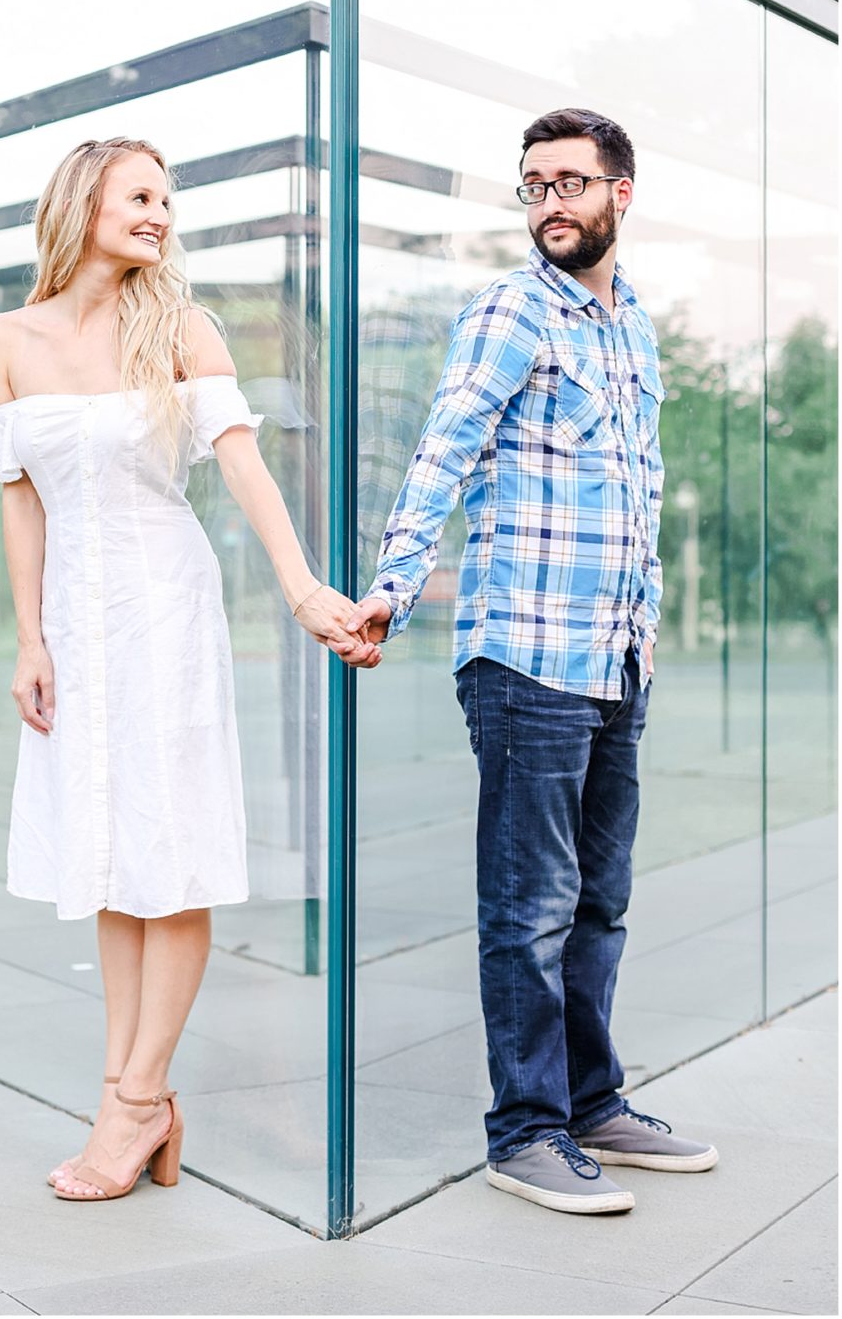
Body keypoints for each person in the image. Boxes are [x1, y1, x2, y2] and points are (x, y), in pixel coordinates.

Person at [0, 137, 379, 1204]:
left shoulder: (181, 327)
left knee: (170, 848)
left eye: (165, 199)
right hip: (74, 623)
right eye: (140, 195)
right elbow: (20, 496)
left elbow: (241, 465)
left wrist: (301, 591)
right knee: (108, 855)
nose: (159, 213)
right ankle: (127, 1092)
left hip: (166, 611)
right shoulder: (3, 340)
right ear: (83, 201)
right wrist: (28, 637)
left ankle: (136, 1103)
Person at [337, 109, 718, 1215]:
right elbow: (443, 450)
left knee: (599, 901)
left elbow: (635, 496)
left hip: (614, 656)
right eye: (532, 185)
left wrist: (644, 631)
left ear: (619, 194)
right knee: (532, 905)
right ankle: (525, 1130)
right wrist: (391, 589)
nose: (549, 201)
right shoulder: (510, 310)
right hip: (527, 656)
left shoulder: (632, 325)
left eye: (569, 182)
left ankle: (592, 1102)